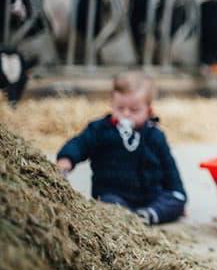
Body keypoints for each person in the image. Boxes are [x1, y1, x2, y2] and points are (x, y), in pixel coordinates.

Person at [56, 71, 186, 225]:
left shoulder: (155, 135)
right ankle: (127, 218)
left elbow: (169, 169)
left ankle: (147, 215)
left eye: (134, 110)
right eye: (120, 108)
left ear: (149, 111)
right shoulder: (100, 130)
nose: (126, 114)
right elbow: (79, 144)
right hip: (113, 194)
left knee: (175, 200)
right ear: (111, 105)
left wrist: (177, 193)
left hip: (151, 197)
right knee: (107, 205)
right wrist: (66, 160)